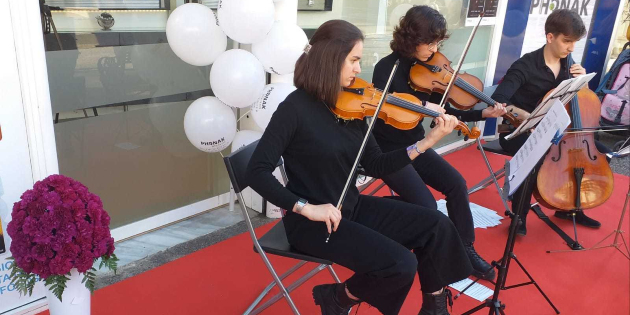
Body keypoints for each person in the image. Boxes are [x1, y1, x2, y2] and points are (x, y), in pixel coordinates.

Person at [247, 20, 472, 315]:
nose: (358, 69)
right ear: (330, 58)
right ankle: (340, 297)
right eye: (353, 60)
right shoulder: (294, 108)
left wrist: (427, 142)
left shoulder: (350, 105)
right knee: (402, 263)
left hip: (350, 208)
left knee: (436, 224)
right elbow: (257, 171)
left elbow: (377, 163)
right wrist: (305, 207)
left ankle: (434, 307)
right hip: (313, 223)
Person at [371, 5, 506, 281]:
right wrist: (428, 108)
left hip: (416, 144)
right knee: (426, 206)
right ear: (410, 38)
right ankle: (388, 226)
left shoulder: (430, 67)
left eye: (438, 43)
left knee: (456, 184)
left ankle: (465, 248)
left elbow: (446, 107)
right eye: (429, 43)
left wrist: (482, 113)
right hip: (389, 152)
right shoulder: (386, 69)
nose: (434, 49)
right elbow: (405, 111)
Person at [492, 9, 611, 235]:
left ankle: (571, 206)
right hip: (518, 132)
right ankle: (519, 216)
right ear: (550, 37)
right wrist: (528, 117)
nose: (571, 48)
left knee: (601, 154)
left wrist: (582, 83)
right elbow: (498, 101)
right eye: (567, 41)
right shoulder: (524, 66)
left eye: (575, 42)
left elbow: (581, 103)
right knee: (538, 153)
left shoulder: (569, 65)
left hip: (558, 134)